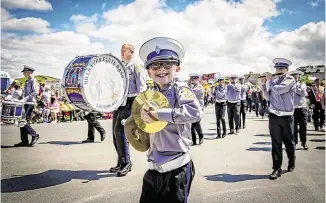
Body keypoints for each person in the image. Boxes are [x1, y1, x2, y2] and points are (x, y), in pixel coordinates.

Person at [138, 37, 201, 203]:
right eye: (155, 66)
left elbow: (194, 112)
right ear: (148, 71)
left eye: (167, 64)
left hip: (176, 169)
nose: (161, 69)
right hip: (153, 169)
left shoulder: (181, 89)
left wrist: (159, 114)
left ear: (177, 68)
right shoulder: (149, 94)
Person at [110, 44, 147, 177]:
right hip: (120, 102)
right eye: (121, 50)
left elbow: (142, 87)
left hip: (131, 101)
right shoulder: (122, 65)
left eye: (123, 50)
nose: (121, 52)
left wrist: (139, 107)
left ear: (131, 52)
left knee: (120, 132)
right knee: (115, 133)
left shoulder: (136, 65)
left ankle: (126, 163)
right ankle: (121, 162)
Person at [261, 58, 296, 180]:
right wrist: (263, 86)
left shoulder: (290, 79)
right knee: (276, 144)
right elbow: (268, 97)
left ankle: (291, 160)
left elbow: (279, 90)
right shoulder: (273, 81)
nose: (278, 70)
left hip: (286, 116)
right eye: (277, 68)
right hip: (274, 115)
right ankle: (277, 168)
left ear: (287, 70)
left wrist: (270, 81)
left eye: (281, 68)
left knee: (288, 142)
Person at [14, 65, 40, 147]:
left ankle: (34, 135)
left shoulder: (33, 81)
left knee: (23, 121)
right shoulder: (27, 81)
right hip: (25, 103)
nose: (24, 73)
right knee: (21, 121)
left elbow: (36, 92)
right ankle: (24, 141)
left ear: (30, 72)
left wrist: (25, 98)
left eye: (25, 72)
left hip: (30, 103)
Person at [290, 70, 308, 150]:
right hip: (293, 109)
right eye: (294, 76)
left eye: (297, 76)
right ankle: (294, 142)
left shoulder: (302, 84)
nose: (296, 78)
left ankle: (303, 142)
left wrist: (294, 87)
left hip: (302, 108)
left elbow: (302, 93)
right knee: (294, 128)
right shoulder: (289, 86)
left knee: (303, 126)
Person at [189, 73, 205, 145]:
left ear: (198, 79)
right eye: (192, 79)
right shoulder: (192, 86)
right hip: (192, 107)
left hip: (198, 107)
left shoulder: (199, 87)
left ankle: (201, 136)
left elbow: (190, 93)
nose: (193, 80)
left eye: (194, 79)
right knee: (191, 124)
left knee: (196, 123)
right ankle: (194, 140)